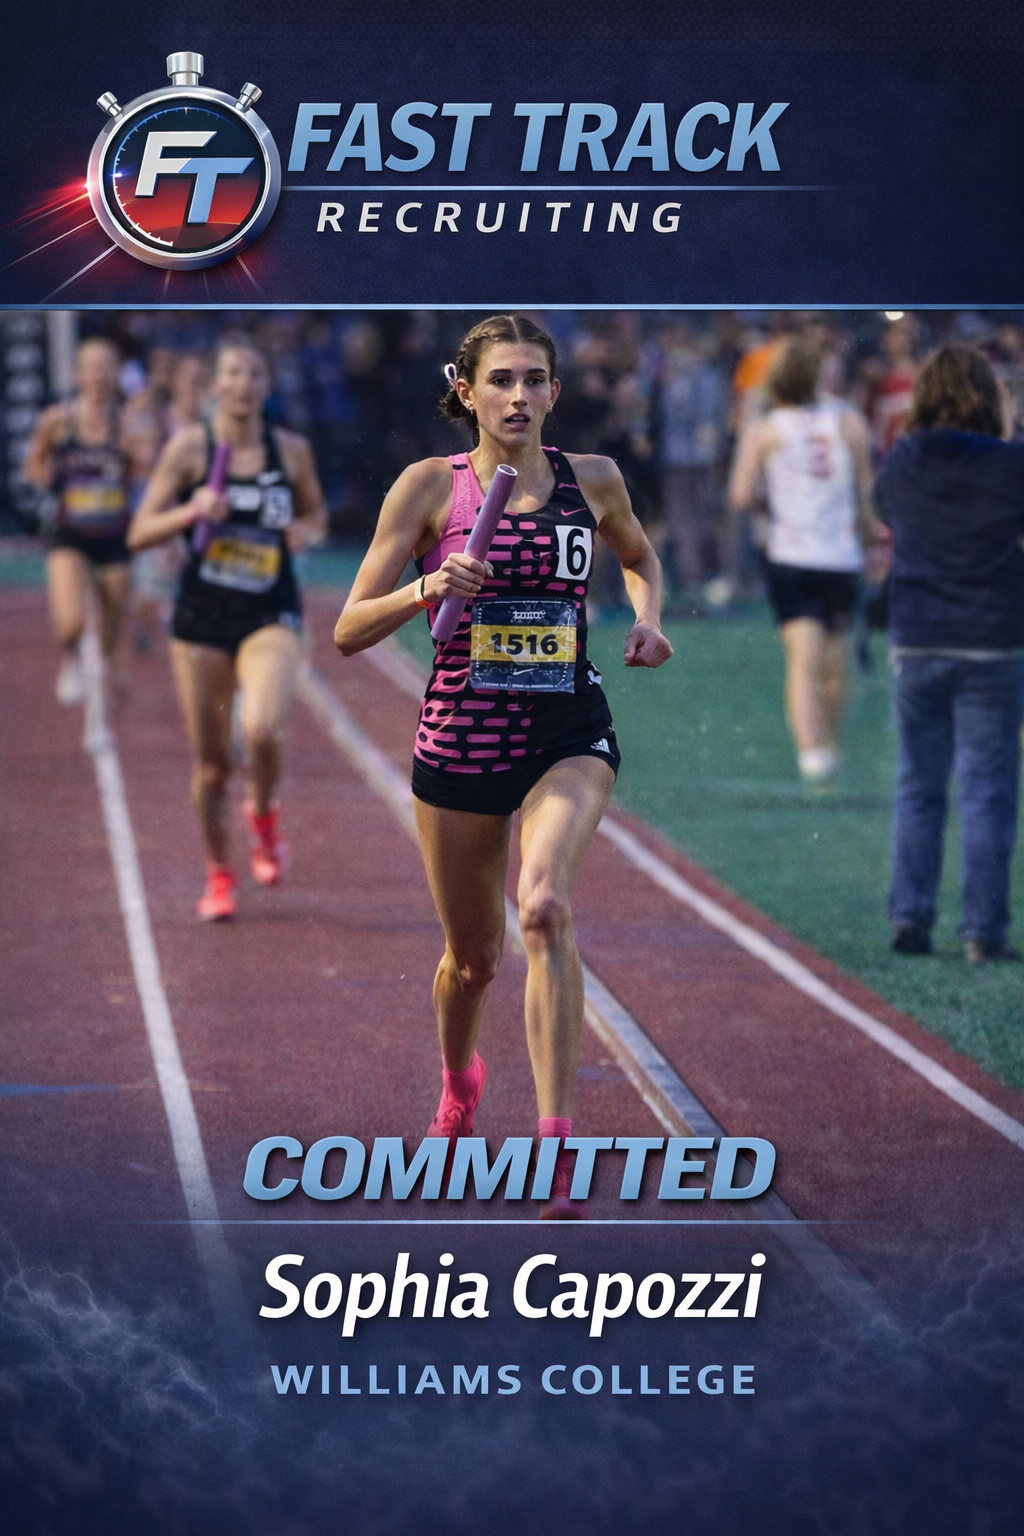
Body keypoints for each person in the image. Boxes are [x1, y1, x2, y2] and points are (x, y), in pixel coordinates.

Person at [333, 313, 673, 1220]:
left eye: (534, 380)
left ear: (555, 392)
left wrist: (647, 615)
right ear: (468, 392)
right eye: (501, 381)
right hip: (461, 741)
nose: (518, 396)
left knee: (545, 908)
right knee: (473, 961)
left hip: (567, 726)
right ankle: (460, 1081)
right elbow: (346, 630)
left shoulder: (591, 480)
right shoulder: (425, 489)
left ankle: (557, 1149)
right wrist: (424, 587)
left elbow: (639, 557)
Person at [128, 334, 327, 920]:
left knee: (263, 730)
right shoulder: (190, 448)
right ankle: (219, 872)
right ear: (214, 385)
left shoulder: (288, 450)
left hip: (270, 610)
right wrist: (191, 509)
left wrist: (309, 530)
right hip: (201, 619)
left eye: (253, 374)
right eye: (232, 374)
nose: (242, 385)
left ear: (266, 387)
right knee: (212, 765)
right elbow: (140, 532)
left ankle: (263, 812)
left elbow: (315, 511)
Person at [874, 344, 1024, 962]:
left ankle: (910, 915)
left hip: (917, 631)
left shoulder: (905, 458)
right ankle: (982, 932)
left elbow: (886, 513)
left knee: (919, 784)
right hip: (992, 636)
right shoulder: (1010, 463)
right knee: (988, 789)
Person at [728, 337, 880, 785]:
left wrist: (770, 505)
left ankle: (814, 755)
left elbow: (740, 493)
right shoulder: (850, 422)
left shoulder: (767, 427)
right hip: (840, 554)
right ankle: (823, 747)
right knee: (835, 664)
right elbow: (865, 492)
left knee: (804, 660)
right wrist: (873, 538)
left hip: (791, 552)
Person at [23, 336, 146, 706]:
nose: (98, 375)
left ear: (115, 374)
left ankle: (109, 665)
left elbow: (145, 473)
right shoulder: (57, 422)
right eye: (90, 367)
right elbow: (34, 463)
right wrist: (49, 481)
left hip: (113, 533)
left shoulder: (128, 425)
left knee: (112, 620)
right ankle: (73, 655)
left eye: (105, 367)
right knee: (71, 623)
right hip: (69, 531)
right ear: (78, 375)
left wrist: (135, 456)